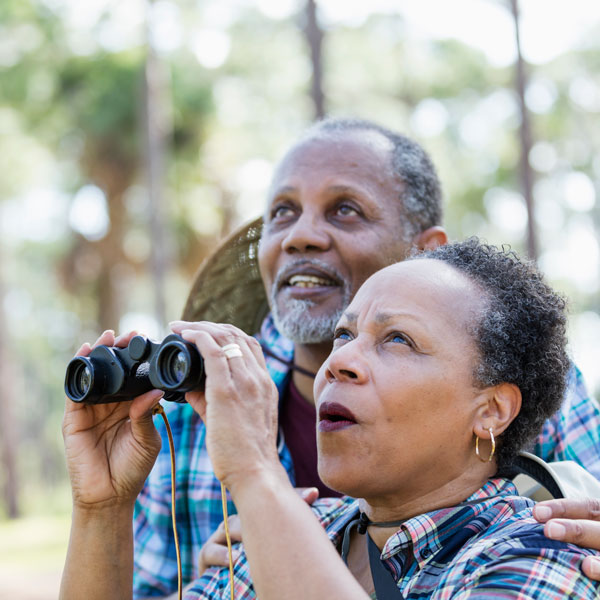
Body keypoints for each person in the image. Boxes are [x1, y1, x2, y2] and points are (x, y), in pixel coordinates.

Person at [131, 118, 600, 597]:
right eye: (282, 212)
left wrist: (257, 482)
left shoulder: (532, 400)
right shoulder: (193, 408)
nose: (301, 236)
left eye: (346, 210)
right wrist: (102, 510)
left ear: (426, 251)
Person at [60, 239, 600, 599]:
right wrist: (102, 507)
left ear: (491, 411)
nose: (339, 361)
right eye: (344, 335)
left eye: (397, 339)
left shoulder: (543, 552)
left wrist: (255, 470)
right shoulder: (299, 534)